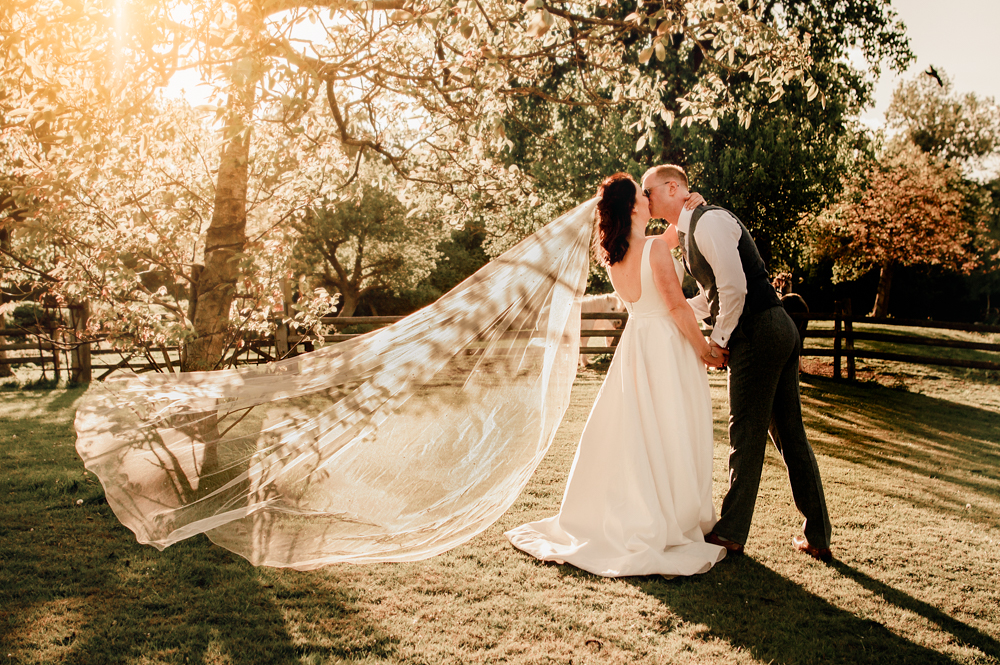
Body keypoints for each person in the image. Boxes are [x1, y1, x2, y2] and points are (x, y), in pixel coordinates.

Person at [505, 173, 729, 577]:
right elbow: (678, 308)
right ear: (633, 207)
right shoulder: (654, 251)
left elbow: (670, 242)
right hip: (667, 347)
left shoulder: (616, 256)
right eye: (642, 195)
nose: (648, 198)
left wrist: (688, 209)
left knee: (643, 431)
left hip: (638, 346)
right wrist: (704, 350)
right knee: (670, 427)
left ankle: (649, 507)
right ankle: (672, 515)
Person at [641, 164, 833, 561]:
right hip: (773, 328)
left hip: (760, 332)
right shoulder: (693, 228)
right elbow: (713, 295)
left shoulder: (709, 223)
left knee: (744, 432)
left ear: (673, 187)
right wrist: (670, 308)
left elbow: (734, 287)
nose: (645, 199)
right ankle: (818, 536)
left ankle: (730, 532)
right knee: (789, 435)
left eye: (649, 191)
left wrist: (718, 341)